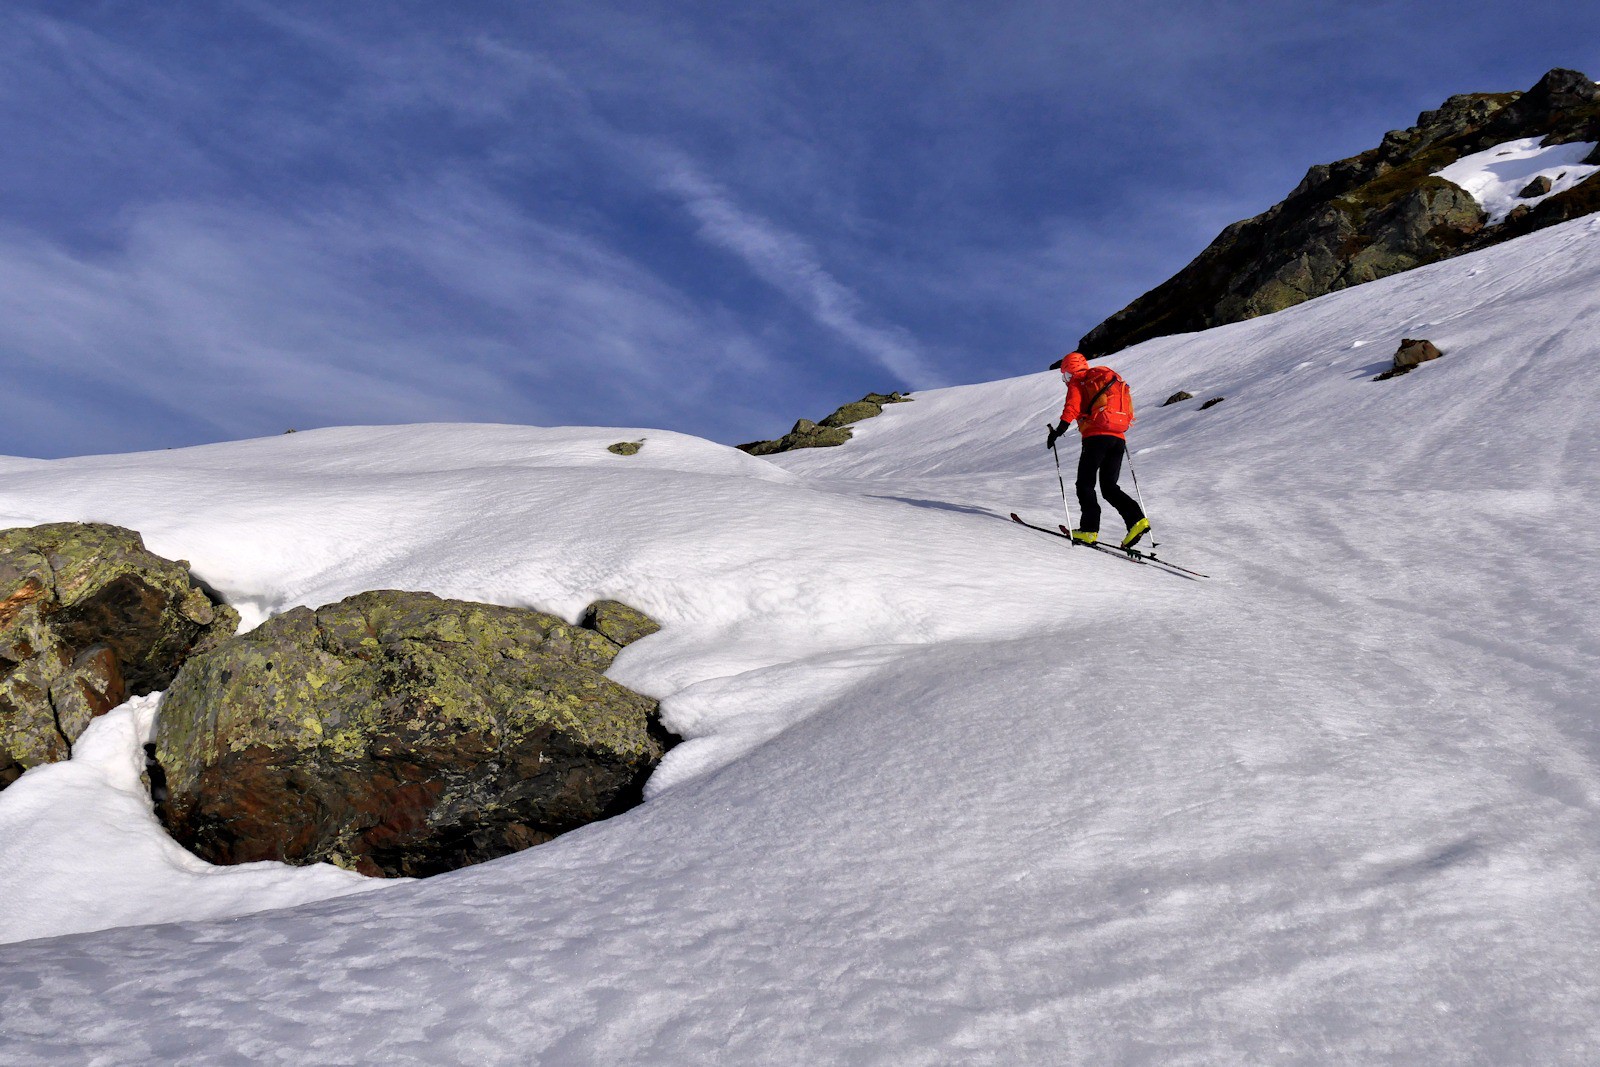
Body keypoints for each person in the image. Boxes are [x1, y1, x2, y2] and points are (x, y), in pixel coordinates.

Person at [1045, 351, 1149, 548]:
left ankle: (1088, 530)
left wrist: (1058, 431)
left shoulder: (1079, 381)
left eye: (1066, 375)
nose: (1066, 380)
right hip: (1118, 439)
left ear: (1071, 370)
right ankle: (1137, 520)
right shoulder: (1104, 378)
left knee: (1085, 484)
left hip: (1096, 438)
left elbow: (1072, 408)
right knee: (1109, 487)